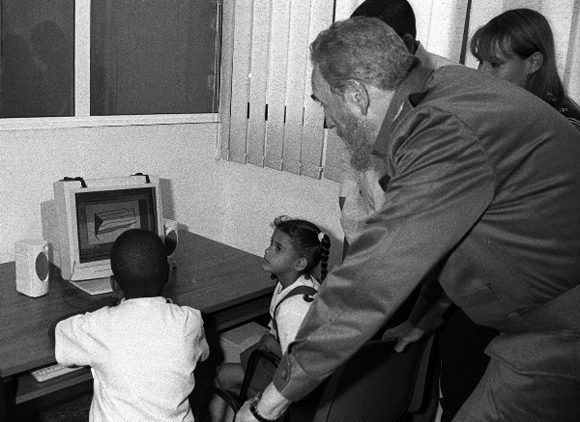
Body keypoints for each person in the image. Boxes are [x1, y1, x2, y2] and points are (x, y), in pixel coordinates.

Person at [236, 17, 580, 422]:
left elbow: (371, 276)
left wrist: (271, 402)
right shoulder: (439, 95)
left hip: (559, 328)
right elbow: (451, 240)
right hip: (539, 323)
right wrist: (422, 319)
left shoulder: (442, 131)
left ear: (356, 96)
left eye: (324, 103)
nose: (329, 122)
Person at [54, 229, 209, 422]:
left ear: (114, 284)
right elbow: (202, 354)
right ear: (168, 274)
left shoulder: (98, 325)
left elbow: (58, 336)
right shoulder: (189, 320)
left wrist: (97, 309)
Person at [215, 216, 330, 401]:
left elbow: (296, 365)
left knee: (222, 376)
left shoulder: (292, 309)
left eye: (278, 248)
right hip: (290, 357)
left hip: (295, 380)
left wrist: (271, 344)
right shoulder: (299, 281)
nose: (268, 250)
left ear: (299, 263)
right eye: (271, 243)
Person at [471, 8, 580, 130]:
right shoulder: (485, 104)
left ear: (533, 63)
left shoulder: (564, 127)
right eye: (480, 61)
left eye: (495, 63)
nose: (481, 73)